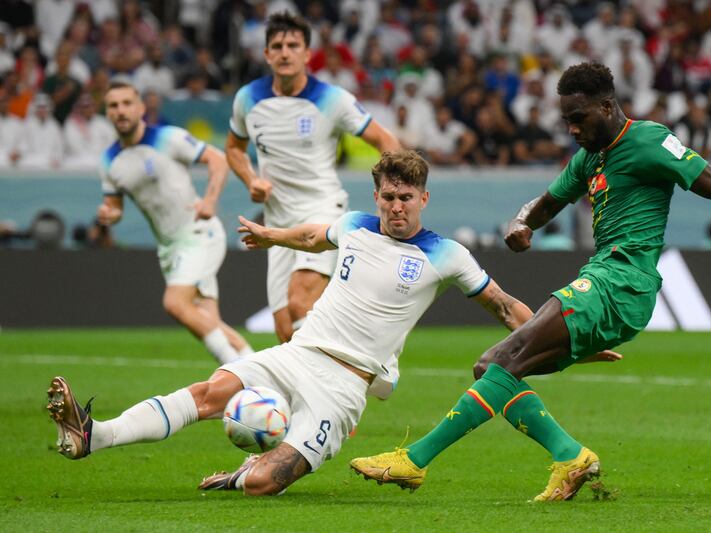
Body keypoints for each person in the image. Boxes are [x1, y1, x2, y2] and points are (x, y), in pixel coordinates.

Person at [46, 151, 619, 497]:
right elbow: (310, 232)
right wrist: (270, 234)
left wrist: (566, 342)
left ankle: (243, 473)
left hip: (345, 386)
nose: (397, 207)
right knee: (209, 393)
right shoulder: (355, 224)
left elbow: (506, 308)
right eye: (388, 197)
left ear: (424, 197)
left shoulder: (447, 254)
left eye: (406, 198)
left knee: (269, 484)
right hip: (298, 351)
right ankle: (94, 435)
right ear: (377, 196)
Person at [350, 62, 711, 502]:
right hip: (602, 279)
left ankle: (414, 460)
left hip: (623, 281)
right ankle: (571, 456)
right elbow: (546, 203)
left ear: (607, 106)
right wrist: (522, 222)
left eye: (578, 118)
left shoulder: (649, 141)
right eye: (566, 119)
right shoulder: (589, 158)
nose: (571, 129)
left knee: (505, 360)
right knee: (491, 367)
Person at [225, 12, 400, 343]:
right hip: (276, 220)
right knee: (285, 333)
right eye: (277, 46)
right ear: (266, 54)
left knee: (301, 301)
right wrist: (251, 180)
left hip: (322, 208)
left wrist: (393, 192)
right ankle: (351, 354)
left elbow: (385, 140)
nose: (285, 52)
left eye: (293, 45)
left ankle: (362, 361)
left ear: (307, 54)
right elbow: (233, 148)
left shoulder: (332, 99)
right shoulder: (248, 98)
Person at [96, 80, 252, 364]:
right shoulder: (109, 161)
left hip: (198, 232)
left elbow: (217, 159)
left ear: (141, 108)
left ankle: (243, 378)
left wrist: (210, 201)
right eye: (113, 105)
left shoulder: (167, 138)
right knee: (210, 322)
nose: (121, 111)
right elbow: (115, 206)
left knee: (175, 303)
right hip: (169, 248)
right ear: (107, 112)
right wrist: (110, 214)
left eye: (127, 103)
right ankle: (261, 375)